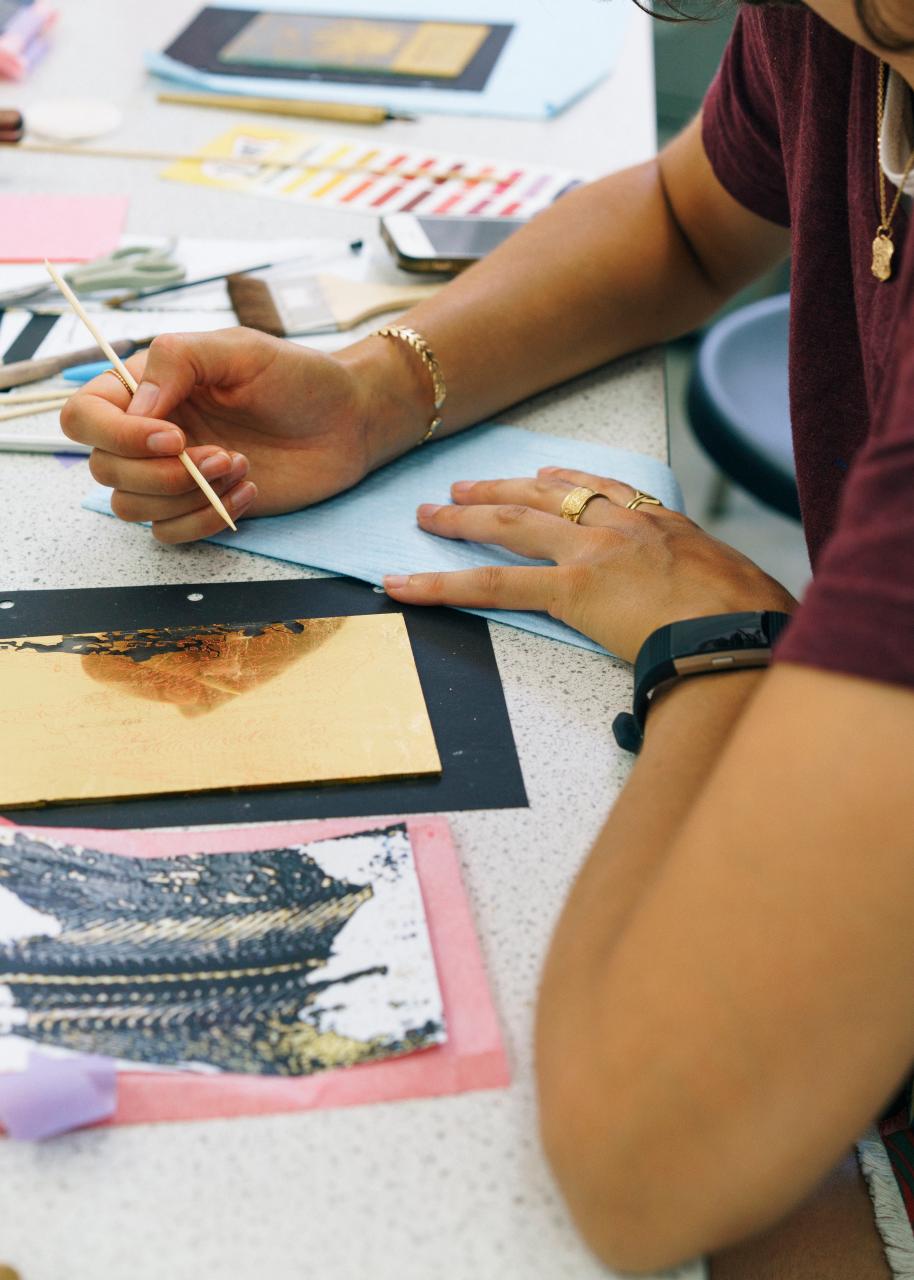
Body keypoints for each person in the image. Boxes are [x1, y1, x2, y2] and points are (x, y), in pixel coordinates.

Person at [62, 0, 914, 1274]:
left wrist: (721, 650)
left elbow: (645, 1164)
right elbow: (685, 219)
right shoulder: (839, 30)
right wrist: (375, 390)